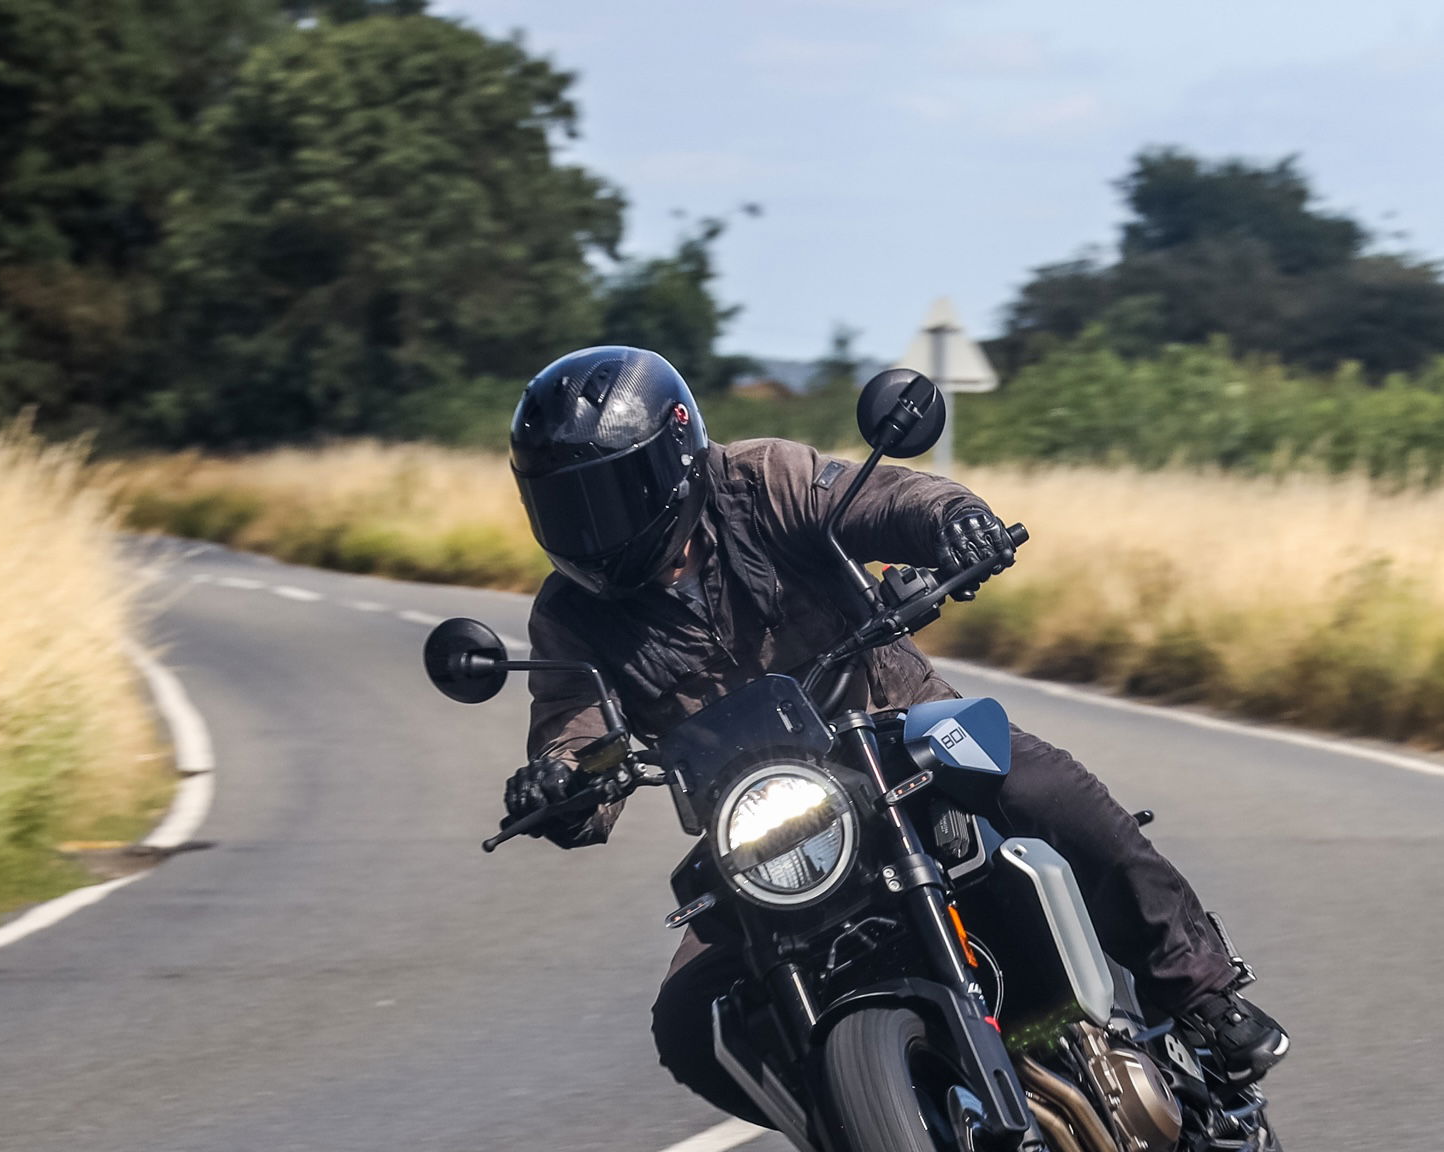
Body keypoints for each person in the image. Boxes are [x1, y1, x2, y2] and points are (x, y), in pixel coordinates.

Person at [501, 345, 1288, 1126]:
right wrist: (560, 781)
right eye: (567, 503)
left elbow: (882, 498)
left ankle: (1200, 994)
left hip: (901, 739)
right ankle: (857, 1120)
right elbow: (575, 728)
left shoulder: (760, 479)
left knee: (1046, 787)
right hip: (765, 830)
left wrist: (955, 523)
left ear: (675, 452)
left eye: (608, 493)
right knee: (688, 1019)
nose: (591, 526)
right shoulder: (569, 614)